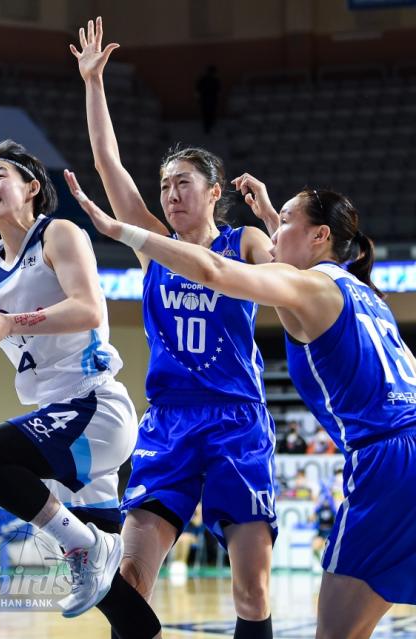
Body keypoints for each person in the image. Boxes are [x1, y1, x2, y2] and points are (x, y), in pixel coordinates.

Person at [68, 170, 416, 638]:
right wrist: (276, 215)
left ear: (320, 236)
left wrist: (126, 232)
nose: (274, 233)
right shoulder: (368, 296)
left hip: (387, 462)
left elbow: (215, 272)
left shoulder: (309, 286)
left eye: (284, 222)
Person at [70, 18, 278, 639]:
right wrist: (93, 83)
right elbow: (107, 164)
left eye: (182, 183)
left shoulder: (245, 243)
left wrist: (273, 216)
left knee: (251, 590)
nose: (169, 194)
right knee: (130, 577)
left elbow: (299, 278)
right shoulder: (153, 248)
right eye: (164, 186)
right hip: (168, 421)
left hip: (236, 419)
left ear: (214, 192)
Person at [0, 139, 140, 626]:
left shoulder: (58, 234)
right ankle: (92, 550)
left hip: (93, 406)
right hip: (56, 422)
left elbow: (88, 309)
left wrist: (11, 322)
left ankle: (85, 543)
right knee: (116, 596)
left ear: (31, 188)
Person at [196, 65, 221, 134]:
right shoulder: (215, 80)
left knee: (205, 113)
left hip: (204, 98)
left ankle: (207, 128)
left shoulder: (202, 79)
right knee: (211, 112)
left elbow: (198, 89)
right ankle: (210, 126)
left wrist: (198, 98)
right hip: (212, 98)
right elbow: (219, 90)